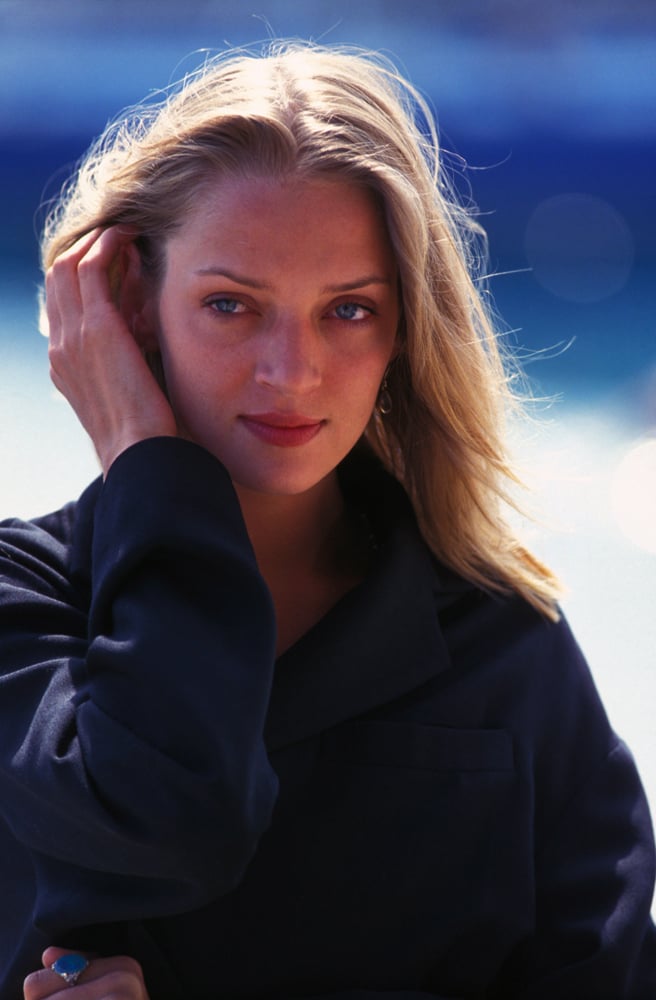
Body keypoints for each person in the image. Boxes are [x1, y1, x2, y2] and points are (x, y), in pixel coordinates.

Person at [3, 41, 654, 1000]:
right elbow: (169, 819)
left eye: (348, 311)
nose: (291, 371)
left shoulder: (503, 643)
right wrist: (142, 457)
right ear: (129, 306)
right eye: (230, 304)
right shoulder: (22, 611)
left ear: (405, 330)